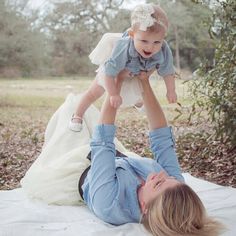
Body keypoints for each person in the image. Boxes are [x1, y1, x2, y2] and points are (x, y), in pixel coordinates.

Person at [79, 75, 223, 236]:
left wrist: (117, 81)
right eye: (171, 178)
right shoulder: (174, 188)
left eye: (158, 184)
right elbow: (162, 140)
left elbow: (103, 141)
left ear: (145, 207)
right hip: (121, 160)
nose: (161, 174)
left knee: (73, 121)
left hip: (83, 168)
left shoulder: (108, 203)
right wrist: (144, 81)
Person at [69, 3, 177, 132]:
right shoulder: (123, 46)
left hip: (137, 71)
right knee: (95, 91)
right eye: (144, 41)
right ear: (132, 35)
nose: (150, 47)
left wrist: (171, 90)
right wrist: (113, 94)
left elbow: (168, 72)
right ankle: (77, 115)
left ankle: (137, 102)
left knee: (138, 88)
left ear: (163, 38)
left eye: (156, 42)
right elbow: (109, 73)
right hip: (115, 68)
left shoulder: (164, 49)